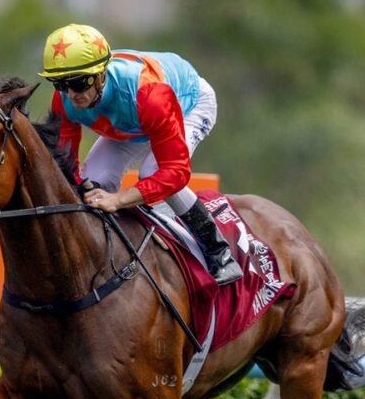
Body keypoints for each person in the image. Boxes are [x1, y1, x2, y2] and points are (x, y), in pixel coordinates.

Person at [39, 23, 242, 285]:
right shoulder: (65, 100)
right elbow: (66, 164)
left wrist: (119, 199)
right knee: (94, 182)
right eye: (59, 84)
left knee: (152, 174)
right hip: (132, 121)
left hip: (186, 105)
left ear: (101, 75)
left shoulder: (150, 95)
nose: (70, 94)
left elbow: (176, 173)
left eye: (78, 83)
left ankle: (218, 251)